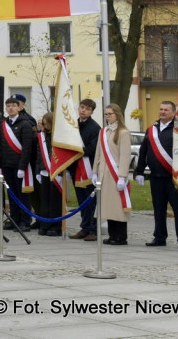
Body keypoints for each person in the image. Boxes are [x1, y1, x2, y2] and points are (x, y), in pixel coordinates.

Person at [135, 100, 178, 249]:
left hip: (174, 177)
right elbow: (143, 152)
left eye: (166, 110)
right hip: (156, 177)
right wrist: (139, 171)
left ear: (173, 113)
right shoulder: (151, 129)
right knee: (159, 209)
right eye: (161, 109)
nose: (163, 112)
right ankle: (159, 237)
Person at [92, 103, 132, 245]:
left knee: (118, 208)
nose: (108, 116)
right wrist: (94, 172)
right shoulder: (103, 132)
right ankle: (112, 235)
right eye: (106, 114)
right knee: (108, 207)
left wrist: (122, 176)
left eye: (110, 114)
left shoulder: (123, 132)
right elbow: (98, 153)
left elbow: (125, 155)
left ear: (117, 115)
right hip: (104, 174)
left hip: (115, 174)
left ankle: (121, 236)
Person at [0, 94, 36, 232]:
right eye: (8, 106)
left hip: (20, 166)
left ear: (19, 108)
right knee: (11, 194)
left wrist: (22, 167)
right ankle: (14, 219)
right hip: (7, 165)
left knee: (22, 195)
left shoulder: (25, 124)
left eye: (13, 106)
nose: (11, 108)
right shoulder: (4, 124)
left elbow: (27, 148)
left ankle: (25, 221)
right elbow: (0, 147)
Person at [69, 99, 101, 241]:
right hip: (76, 167)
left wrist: (76, 152)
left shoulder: (95, 128)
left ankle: (93, 229)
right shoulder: (72, 125)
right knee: (81, 200)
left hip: (89, 168)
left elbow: (93, 149)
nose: (83, 110)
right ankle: (84, 227)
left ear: (92, 112)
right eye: (82, 107)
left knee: (91, 201)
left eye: (87, 109)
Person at [35, 112, 62, 236]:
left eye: (46, 124)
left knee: (54, 201)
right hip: (44, 171)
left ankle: (55, 225)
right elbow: (39, 155)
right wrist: (38, 171)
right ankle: (44, 224)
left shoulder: (59, 136)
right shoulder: (42, 136)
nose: (44, 126)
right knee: (44, 200)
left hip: (56, 172)